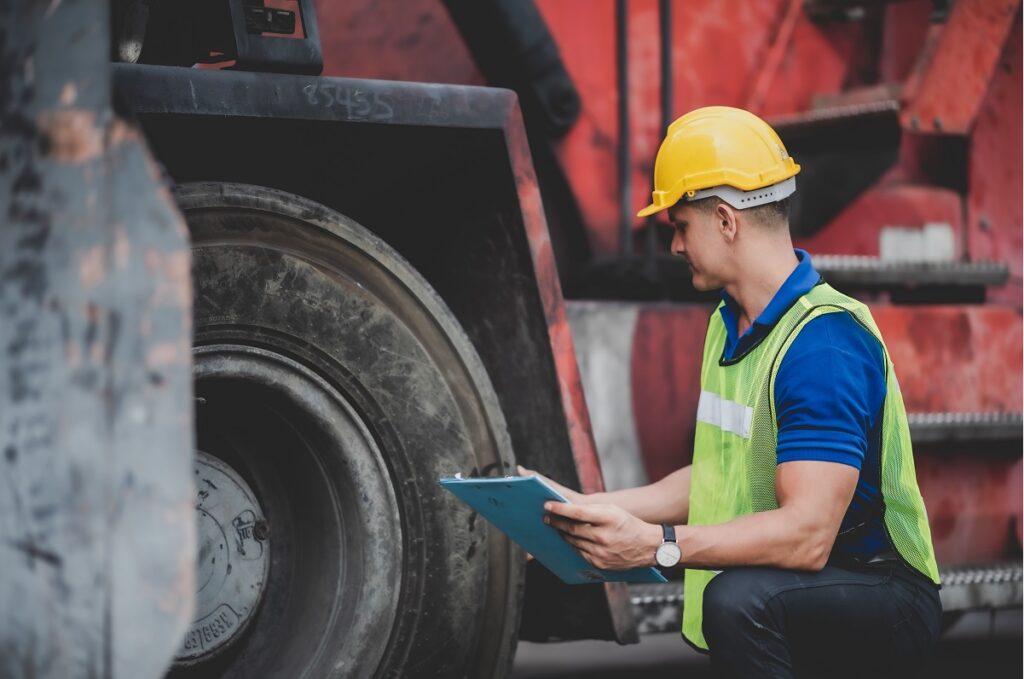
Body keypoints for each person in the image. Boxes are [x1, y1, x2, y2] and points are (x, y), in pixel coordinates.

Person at [521, 106, 942, 678]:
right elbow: (715, 476)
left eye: (680, 225)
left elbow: (808, 535)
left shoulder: (823, 345)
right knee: (743, 594)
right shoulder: (728, 325)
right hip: (815, 587)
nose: (674, 245)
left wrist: (657, 546)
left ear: (725, 221)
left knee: (739, 599)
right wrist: (579, 509)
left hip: (881, 592)